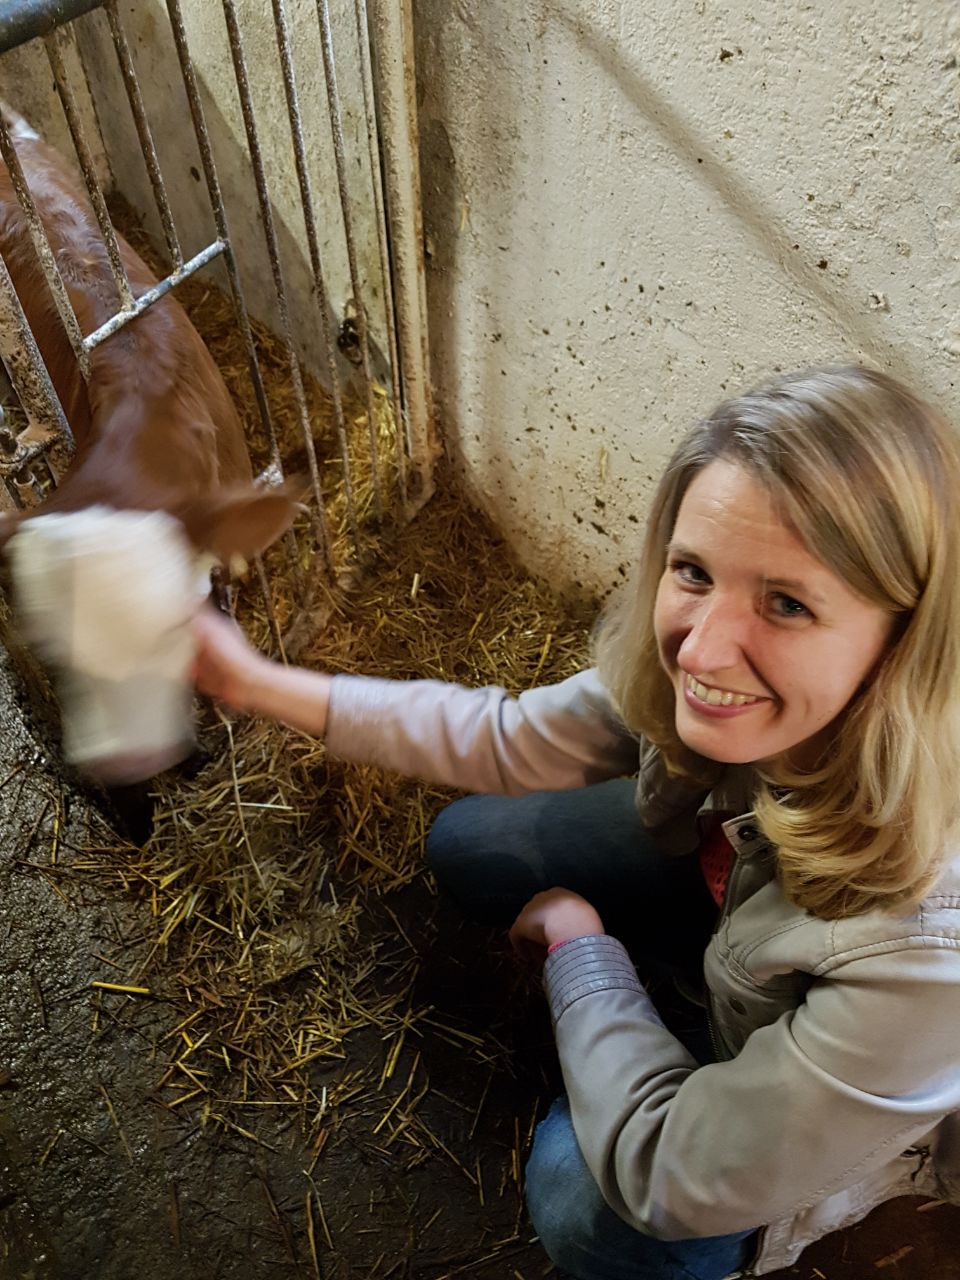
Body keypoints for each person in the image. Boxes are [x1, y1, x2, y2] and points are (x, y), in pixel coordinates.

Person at [192, 365, 960, 1280]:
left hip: (802, 1110)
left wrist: (578, 950)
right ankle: (669, 1002)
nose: (699, 650)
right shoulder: (726, 677)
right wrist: (255, 682)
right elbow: (511, 737)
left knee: (586, 1204)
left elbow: (669, 1173)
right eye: (693, 572)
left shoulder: (927, 948)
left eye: (788, 604)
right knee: (471, 844)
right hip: (755, 888)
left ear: (905, 639)